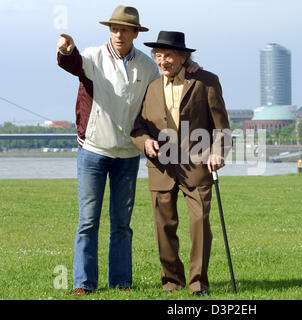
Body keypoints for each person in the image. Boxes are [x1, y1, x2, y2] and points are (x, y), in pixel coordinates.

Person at [56, 6, 199, 296]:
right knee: (88, 221)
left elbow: (163, 89)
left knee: (122, 223)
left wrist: (192, 68)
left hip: (128, 155)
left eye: (124, 30)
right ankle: (83, 283)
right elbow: (73, 64)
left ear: (135, 33)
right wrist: (67, 51)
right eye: (114, 29)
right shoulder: (93, 57)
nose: (118, 34)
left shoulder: (147, 67)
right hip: (93, 150)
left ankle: (121, 281)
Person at [131, 31, 231, 296]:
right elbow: (138, 127)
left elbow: (223, 129)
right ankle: (172, 282)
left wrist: (217, 152)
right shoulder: (150, 88)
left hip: (197, 166)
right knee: (164, 228)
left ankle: (198, 283)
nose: (163, 61)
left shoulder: (206, 82)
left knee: (199, 222)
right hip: (161, 167)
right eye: (158, 55)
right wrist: (145, 143)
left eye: (169, 55)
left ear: (183, 57)